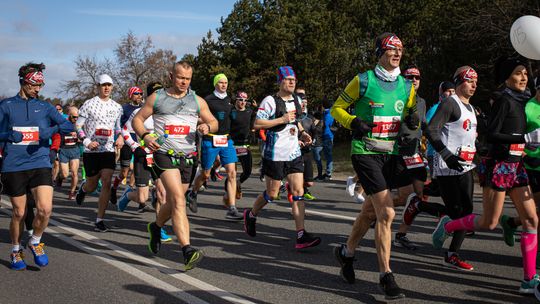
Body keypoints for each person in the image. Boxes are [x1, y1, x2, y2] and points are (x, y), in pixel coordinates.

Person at [433, 58, 540, 293]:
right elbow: (492, 134)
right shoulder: (504, 100)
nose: (523, 78)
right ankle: (449, 225)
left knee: (532, 220)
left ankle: (528, 279)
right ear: (506, 78)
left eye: (525, 74)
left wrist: (529, 146)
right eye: (518, 74)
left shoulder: (524, 101)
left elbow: (518, 133)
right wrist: (523, 139)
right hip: (499, 166)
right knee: (488, 222)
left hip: (517, 165)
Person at [331, 33, 417, 300]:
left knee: (370, 213)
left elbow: (409, 112)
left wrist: (412, 120)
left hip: (389, 155)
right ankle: (386, 277)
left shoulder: (406, 86)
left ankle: (346, 253)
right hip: (365, 152)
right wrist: (353, 122)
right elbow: (337, 109)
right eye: (392, 48)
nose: (397, 53)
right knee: (387, 213)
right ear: (380, 51)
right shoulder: (364, 80)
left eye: (400, 49)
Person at [133, 60, 218, 270]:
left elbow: (214, 122)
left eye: (188, 79)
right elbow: (138, 119)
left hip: (188, 157)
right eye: (180, 77)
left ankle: (156, 226)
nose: (184, 82)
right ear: (171, 76)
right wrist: (145, 135)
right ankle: (187, 250)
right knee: (179, 200)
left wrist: (207, 126)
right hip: (163, 154)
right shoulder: (158, 97)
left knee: (172, 203)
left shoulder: (197, 101)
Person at [0, 62, 74, 270]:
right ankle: (16, 250)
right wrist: (7, 135)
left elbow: (68, 125)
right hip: (14, 165)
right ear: (23, 82)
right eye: (34, 85)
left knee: (45, 209)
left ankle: (34, 241)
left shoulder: (45, 107)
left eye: (40, 86)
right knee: (19, 213)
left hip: (40, 162)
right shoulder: (6, 106)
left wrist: (51, 131)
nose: (37, 90)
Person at [243, 66, 321, 250]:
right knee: (272, 194)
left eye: (293, 79)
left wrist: (302, 133)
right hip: (275, 154)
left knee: (298, 193)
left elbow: (297, 121)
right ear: (280, 82)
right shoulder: (270, 101)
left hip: (293, 153)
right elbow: (257, 124)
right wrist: (281, 120)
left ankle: (301, 235)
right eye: (287, 79)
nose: (292, 82)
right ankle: (251, 214)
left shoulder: (296, 100)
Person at [426, 66, 480, 272]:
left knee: (467, 211)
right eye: (470, 80)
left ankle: (452, 253)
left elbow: (469, 138)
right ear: (458, 82)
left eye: (476, 81)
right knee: (457, 211)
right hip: (447, 167)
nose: (474, 85)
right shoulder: (450, 103)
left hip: (466, 166)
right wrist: (446, 155)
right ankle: (436, 219)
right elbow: (431, 130)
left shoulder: (472, 108)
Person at [393, 66, 447, 250]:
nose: (414, 80)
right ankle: (373, 209)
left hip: (414, 153)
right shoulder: (396, 99)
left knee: (419, 196)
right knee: (402, 198)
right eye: (409, 77)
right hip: (398, 152)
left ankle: (400, 235)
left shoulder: (422, 102)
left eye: (417, 77)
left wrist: (440, 147)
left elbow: (425, 126)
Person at [188, 73, 242, 220]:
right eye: (221, 82)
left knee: (232, 173)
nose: (224, 85)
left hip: (226, 140)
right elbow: (197, 117)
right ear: (215, 84)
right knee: (205, 174)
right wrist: (203, 124)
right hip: (210, 140)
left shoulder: (230, 100)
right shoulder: (208, 100)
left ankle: (232, 208)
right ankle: (193, 193)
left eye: (226, 82)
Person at [75, 74, 124, 232]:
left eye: (109, 85)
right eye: (103, 85)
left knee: (107, 181)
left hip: (108, 149)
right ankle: (83, 189)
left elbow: (118, 128)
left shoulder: (117, 107)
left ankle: (99, 219)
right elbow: (77, 126)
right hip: (91, 150)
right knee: (92, 184)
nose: (107, 88)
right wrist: (87, 141)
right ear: (97, 86)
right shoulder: (88, 104)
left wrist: (121, 137)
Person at [110, 86, 143, 204]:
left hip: (139, 141)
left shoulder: (144, 108)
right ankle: (114, 188)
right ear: (130, 95)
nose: (139, 95)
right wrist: (119, 137)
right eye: (136, 93)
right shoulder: (124, 108)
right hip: (126, 140)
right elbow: (118, 125)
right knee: (124, 172)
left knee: (137, 169)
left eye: (141, 93)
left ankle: (130, 189)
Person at [229, 91, 255, 200]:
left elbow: (258, 117)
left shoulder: (250, 112)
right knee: (231, 173)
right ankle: (229, 195)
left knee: (248, 171)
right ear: (236, 100)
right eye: (240, 100)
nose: (243, 102)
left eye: (245, 100)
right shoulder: (231, 112)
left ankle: (239, 183)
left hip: (244, 146)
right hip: (232, 145)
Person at [295, 88, 317, 200]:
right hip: (294, 152)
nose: (303, 105)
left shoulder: (310, 118)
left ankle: (303, 189)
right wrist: (296, 142)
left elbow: (315, 133)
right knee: (296, 179)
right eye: (301, 103)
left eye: (305, 103)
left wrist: (312, 141)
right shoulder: (292, 117)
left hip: (307, 151)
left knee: (309, 182)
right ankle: (299, 191)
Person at [57, 106, 81, 200]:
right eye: (74, 117)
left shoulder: (79, 124)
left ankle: (72, 192)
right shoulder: (63, 123)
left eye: (77, 117)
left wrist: (80, 139)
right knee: (65, 174)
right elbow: (58, 132)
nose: (76, 119)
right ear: (69, 115)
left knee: (75, 173)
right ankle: (60, 177)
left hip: (74, 150)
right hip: (64, 150)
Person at [314, 99, 335, 180]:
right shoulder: (332, 113)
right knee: (327, 155)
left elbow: (326, 125)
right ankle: (327, 173)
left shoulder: (327, 114)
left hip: (326, 136)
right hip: (330, 136)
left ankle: (328, 174)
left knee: (328, 155)